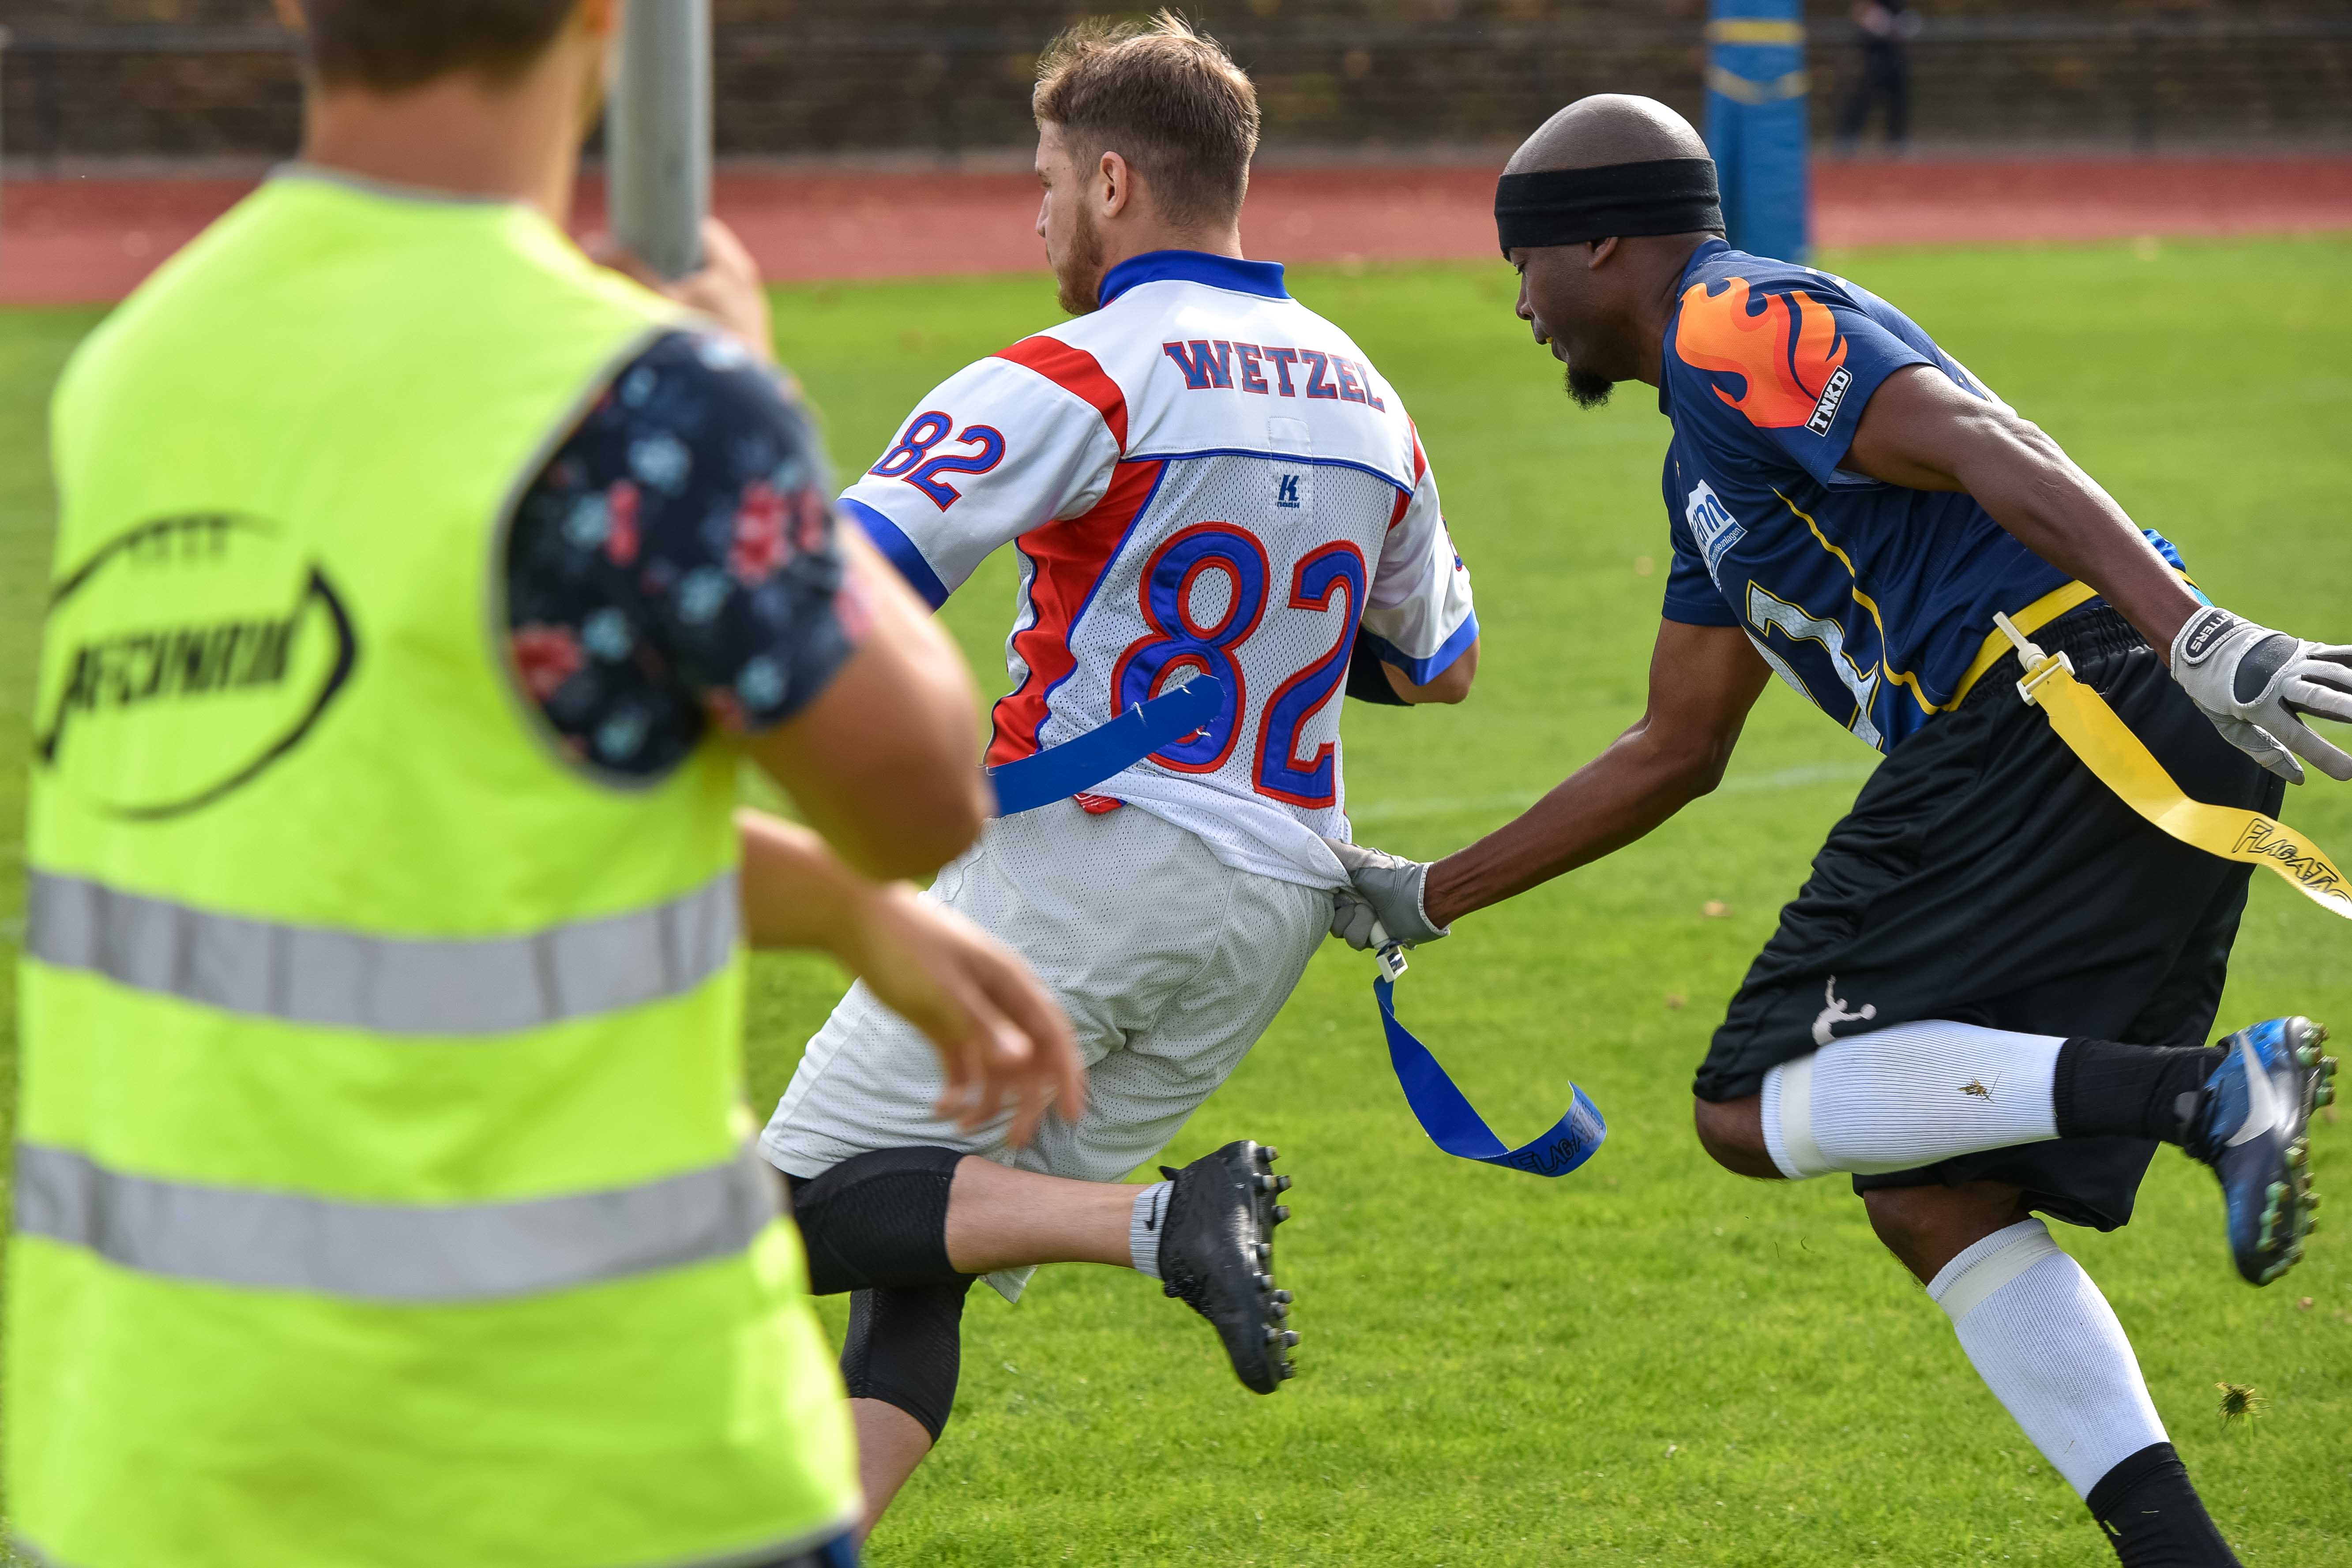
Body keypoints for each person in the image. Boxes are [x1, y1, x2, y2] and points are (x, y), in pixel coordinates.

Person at [7, 2, 1084, 1565]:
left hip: (154, 1458)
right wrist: (758, 421)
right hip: (573, 1458)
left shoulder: (135, 366)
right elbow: (920, 793)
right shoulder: (642, 402)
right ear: (607, 23)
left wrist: (846, 915)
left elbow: (396, 814)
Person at [1326, 95, 2347, 1568]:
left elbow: (1982, 438)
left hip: (2062, 700)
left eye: (1523, 264)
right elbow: (1677, 749)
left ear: (1600, 241)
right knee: (1935, 1196)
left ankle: (2206, 1095)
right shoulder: (1698, 465)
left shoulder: (1733, 316)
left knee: (1751, 1102)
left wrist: (2193, 633)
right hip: (2082, 725)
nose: (1520, 303)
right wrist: (1431, 895)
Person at [755, 11, 1480, 1536]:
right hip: (1281, 897)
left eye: (1041, 180)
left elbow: (849, 571)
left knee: (791, 1209)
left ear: (1108, 181)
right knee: (920, 1242)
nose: (1033, 217)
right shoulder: (1369, 395)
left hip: (1097, 862)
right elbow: (1438, 661)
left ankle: (1158, 1225)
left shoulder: (1082, 368)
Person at [1837, 0, 1919, 152]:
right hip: (1875, 54)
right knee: (1865, 97)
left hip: (1895, 55)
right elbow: (1860, 14)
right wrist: (1879, 25)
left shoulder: (1897, 6)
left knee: (1899, 97)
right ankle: (1848, 138)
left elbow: (1906, 22)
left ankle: (1896, 140)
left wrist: (1898, 27)